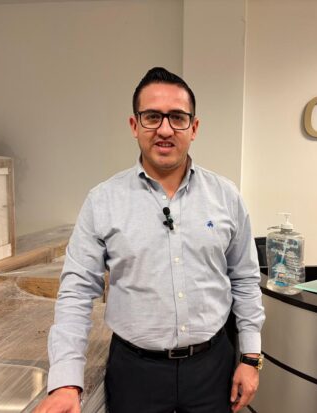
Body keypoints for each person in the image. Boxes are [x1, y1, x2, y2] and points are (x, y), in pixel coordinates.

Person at [34, 67, 265, 413]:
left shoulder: (226, 196)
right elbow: (76, 292)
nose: (165, 130)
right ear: (134, 125)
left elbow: (245, 280)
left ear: (194, 128)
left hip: (212, 369)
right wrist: (66, 382)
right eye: (153, 117)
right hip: (135, 374)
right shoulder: (103, 201)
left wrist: (250, 357)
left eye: (177, 118)